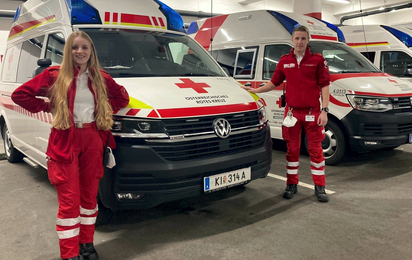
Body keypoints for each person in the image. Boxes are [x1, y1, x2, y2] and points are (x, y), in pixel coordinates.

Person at [12, 31, 130, 260]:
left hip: (93, 139)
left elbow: (121, 97)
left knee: (88, 197)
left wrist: (103, 111)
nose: (80, 51)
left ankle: (86, 244)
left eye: (84, 47)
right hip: (64, 139)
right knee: (69, 200)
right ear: (68, 50)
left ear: (91, 51)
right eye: (75, 47)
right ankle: (69, 253)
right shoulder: (54, 75)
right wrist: (49, 107)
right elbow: (20, 95)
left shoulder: (100, 77)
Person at [242, 25, 330, 203]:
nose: (300, 42)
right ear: (292, 40)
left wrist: (324, 110)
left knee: (315, 151)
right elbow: (274, 83)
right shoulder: (284, 61)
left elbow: (325, 85)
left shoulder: (317, 60)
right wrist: (255, 90)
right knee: (292, 150)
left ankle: (320, 187)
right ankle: (291, 184)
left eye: (303, 39)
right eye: (297, 38)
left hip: (313, 112)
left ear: (308, 40)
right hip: (292, 113)